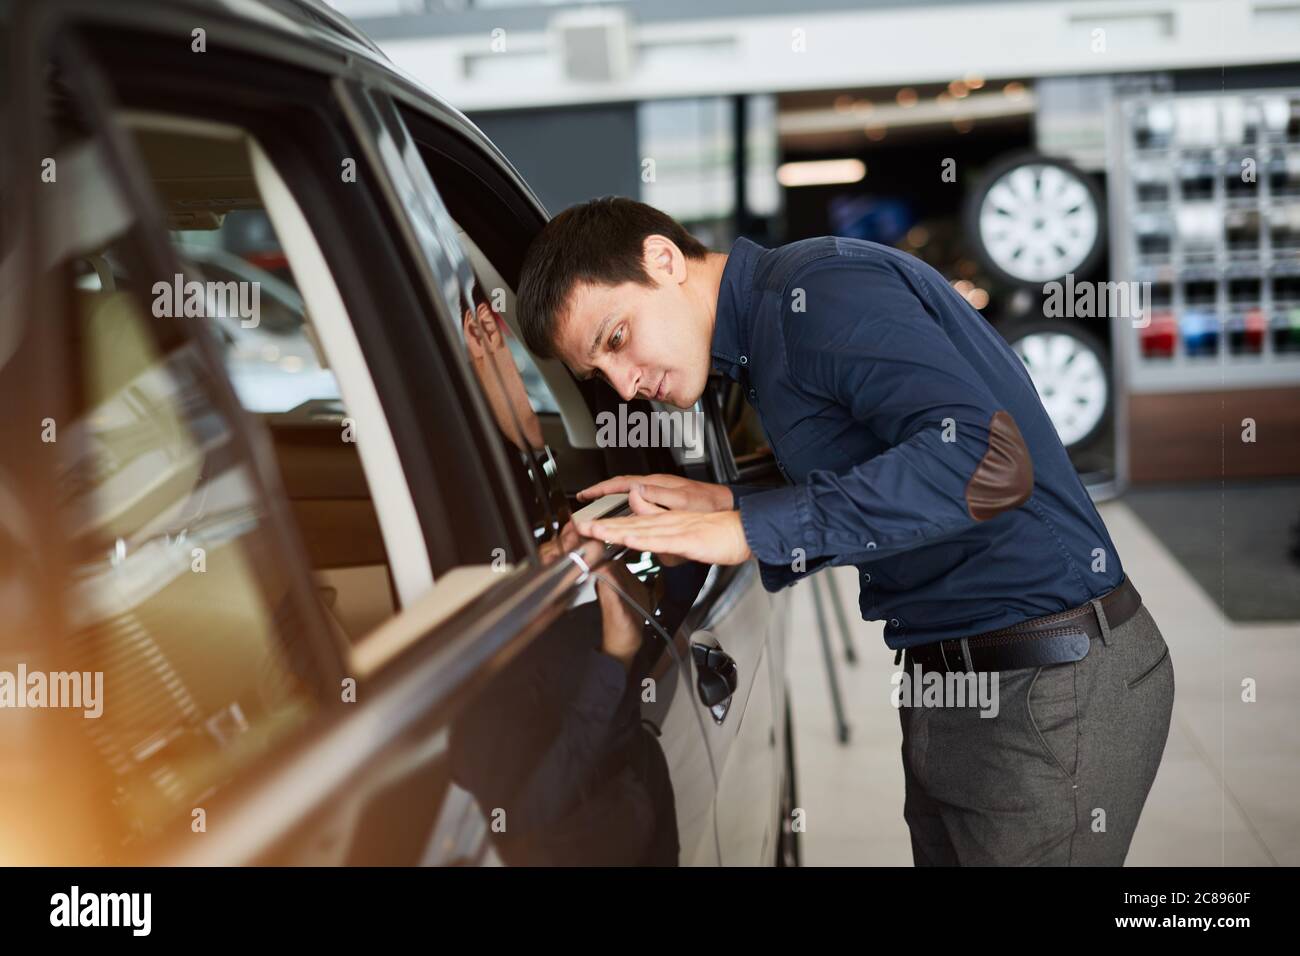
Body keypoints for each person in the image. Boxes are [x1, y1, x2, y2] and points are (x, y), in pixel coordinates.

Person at [514, 196, 1175, 866]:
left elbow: (987, 461)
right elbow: (888, 464)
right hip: (961, 685)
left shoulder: (816, 294)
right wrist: (728, 500)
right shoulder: (769, 335)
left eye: (618, 338)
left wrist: (751, 527)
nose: (624, 387)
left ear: (663, 259)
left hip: (1044, 689)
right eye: (600, 373)